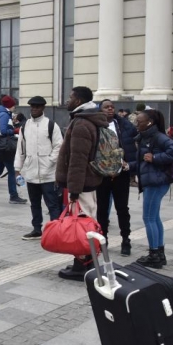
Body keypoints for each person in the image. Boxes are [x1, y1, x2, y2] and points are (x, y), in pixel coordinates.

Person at [55, 86, 108, 280]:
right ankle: (89, 262)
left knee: (81, 225)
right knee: (88, 223)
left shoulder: (81, 123)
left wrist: (74, 190)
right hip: (89, 182)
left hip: (82, 184)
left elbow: (78, 160)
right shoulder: (89, 120)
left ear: (78, 101)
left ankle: (82, 265)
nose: (68, 101)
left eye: (70, 97)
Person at [134, 109, 173, 269]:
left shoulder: (158, 137)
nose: (136, 124)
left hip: (156, 182)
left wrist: (155, 158)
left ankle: (154, 254)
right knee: (154, 217)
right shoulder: (146, 137)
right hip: (153, 180)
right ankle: (159, 253)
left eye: (139, 121)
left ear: (149, 123)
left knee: (148, 218)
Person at [15, 96, 62, 241]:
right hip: (31, 173)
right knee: (34, 204)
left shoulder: (51, 125)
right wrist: (18, 168)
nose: (34, 109)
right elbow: (20, 149)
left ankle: (56, 232)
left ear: (43, 108)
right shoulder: (25, 126)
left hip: (48, 174)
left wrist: (49, 161)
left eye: (37, 107)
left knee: (52, 204)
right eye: (32, 107)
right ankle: (36, 229)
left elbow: (59, 146)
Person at [96, 99, 137, 256]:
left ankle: (126, 240)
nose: (110, 109)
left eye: (112, 107)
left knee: (122, 208)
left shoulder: (124, 125)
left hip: (121, 174)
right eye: (106, 107)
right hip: (102, 174)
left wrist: (130, 164)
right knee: (102, 209)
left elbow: (134, 146)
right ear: (100, 110)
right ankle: (103, 239)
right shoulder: (96, 126)